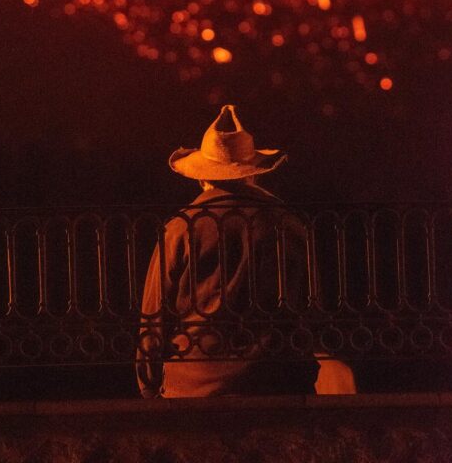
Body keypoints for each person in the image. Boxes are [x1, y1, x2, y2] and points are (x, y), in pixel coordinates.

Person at [137, 104, 320, 397]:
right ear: (253, 174)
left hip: (191, 382)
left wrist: (149, 385)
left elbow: (154, 316)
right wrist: (304, 373)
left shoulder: (181, 227)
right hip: (270, 379)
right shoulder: (287, 224)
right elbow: (306, 309)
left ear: (202, 176)